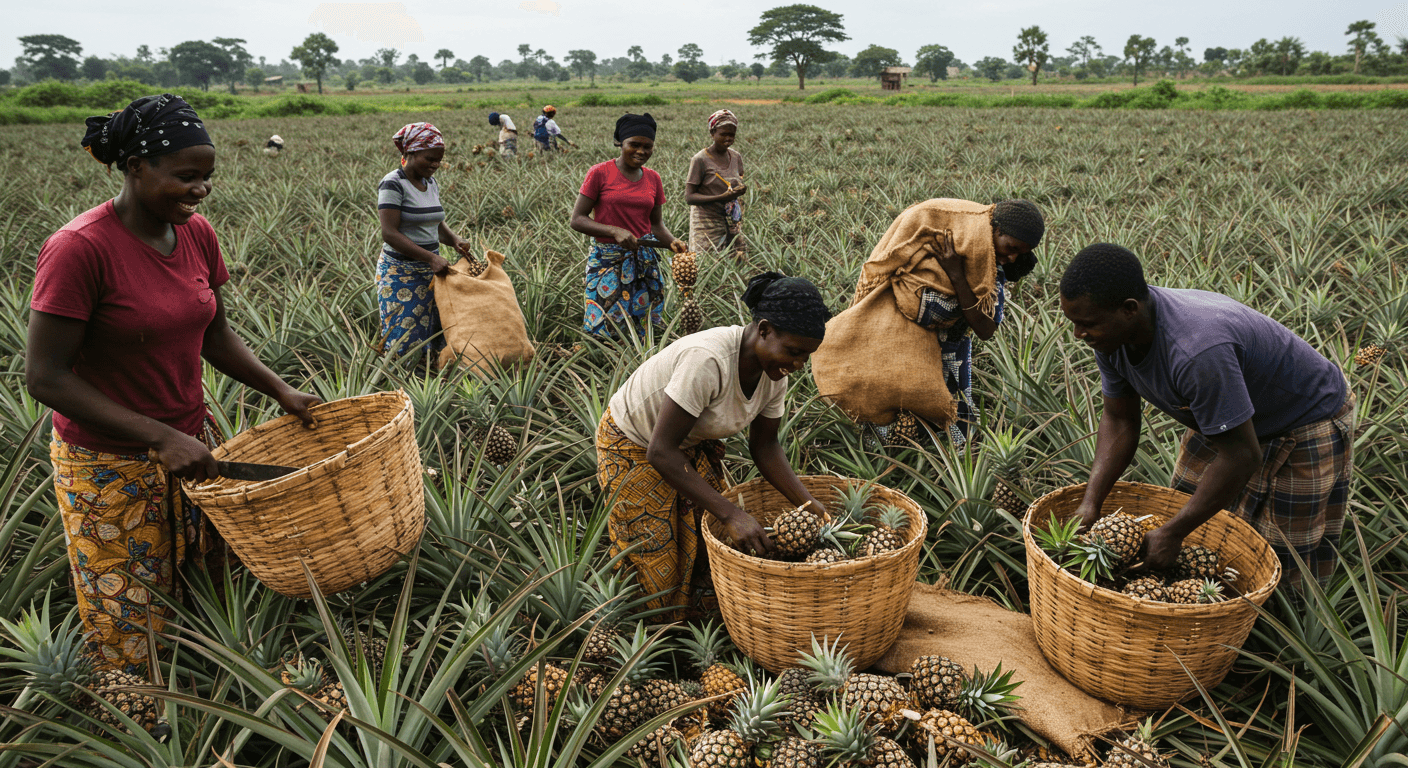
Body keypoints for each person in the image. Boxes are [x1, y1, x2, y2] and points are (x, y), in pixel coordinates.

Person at [26, 94, 322, 674]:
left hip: (194, 445)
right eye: (186, 176)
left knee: (209, 594)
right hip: (107, 464)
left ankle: (209, 708)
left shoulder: (196, 234)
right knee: (129, 614)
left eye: (207, 178)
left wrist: (279, 388)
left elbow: (215, 335)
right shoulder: (79, 249)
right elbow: (46, 376)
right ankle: (139, 722)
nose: (199, 190)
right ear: (136, 166)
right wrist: (158, 437)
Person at [1059, 243, 1354, 590]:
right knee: (1188, 520)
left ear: (1129, 310)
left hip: (1304, 418)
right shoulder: (1113, 337)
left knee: (1279, 558)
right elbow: (1120, 420)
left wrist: (1174, 531)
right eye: (1074, 323)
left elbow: (1242, 454)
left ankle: (1271, 638)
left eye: (1086, 324)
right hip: (1218, 414)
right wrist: (1091, 503)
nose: (1079, 334)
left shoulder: (1196, 351)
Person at [596, 272, 831, 618]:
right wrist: (732, 512)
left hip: (686, 446)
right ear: (763, 330)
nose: (797, 365)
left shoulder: (774, 372)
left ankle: (702, 624)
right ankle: (651, 640)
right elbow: (660, 451)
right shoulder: (707, 360)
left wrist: (810, 505)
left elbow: (765, 446)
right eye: (794, 352)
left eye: (805, 357)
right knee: (655, 559)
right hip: (632, 443)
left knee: (706, 549)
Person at [859, 198, 1044, 446]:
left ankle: (951, 463)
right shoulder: (953, 246)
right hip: (907, 341)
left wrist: (956, 275)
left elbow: (985, 328)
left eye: (1021, 253)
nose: (1012, 258)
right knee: (894, 411)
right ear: (995, 230)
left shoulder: (992, 275)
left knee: (956, 420)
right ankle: (893, 460)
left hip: (952, 352)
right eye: (1011, 247)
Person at [570, 112, 688, 340]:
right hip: (608, 260)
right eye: (634, 144)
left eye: (648, 146)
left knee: (645, 324)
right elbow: (578, 219)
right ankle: (605, 368)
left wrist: (674, 243)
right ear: (619, 143)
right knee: (605, 325)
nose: (641, 151)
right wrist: (614, 231)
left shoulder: (653, 178)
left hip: (644, 260)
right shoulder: (599, 173)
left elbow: (656, 225)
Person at [376, 122, 475, 362]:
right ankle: (404, 387)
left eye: (438, 160)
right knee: (406, 338)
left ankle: (432, 383)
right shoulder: (393, 183)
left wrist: (454, 240)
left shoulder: (430, 183)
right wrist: (430, 257)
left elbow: (435, 223)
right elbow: (389, 233)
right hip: (401, 274)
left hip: (431, 271)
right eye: (429, 158)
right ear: (409, 152)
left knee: (437, 330)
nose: (435, 165)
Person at [684, 109, 748, 258]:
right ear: (712, 134)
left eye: (731, 135)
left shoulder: (736, 156)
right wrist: (721, 197)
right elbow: (689, 197)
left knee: (736, 259)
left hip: (730, 219)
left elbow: (738, 179)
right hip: (706, 221)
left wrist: (739, 191)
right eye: (723, 134)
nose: (728, 138)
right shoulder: (700, 159)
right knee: (708, 262)